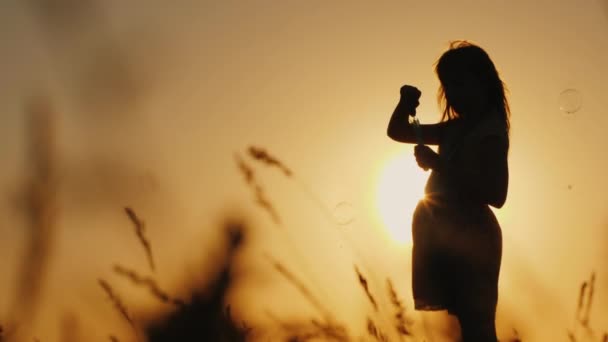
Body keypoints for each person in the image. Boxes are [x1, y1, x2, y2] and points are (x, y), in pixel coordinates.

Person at [386, 40, 510, 342]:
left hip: (473, 236)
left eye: (460, 82)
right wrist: (405, 105)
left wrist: (440, 164)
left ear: (483, 81)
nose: (454, 92)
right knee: (464, 327)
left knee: (477, 325)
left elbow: (496, 193)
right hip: (445, 233)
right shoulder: (453, 129)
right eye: (448, 84)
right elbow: (398, 132)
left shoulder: (490, 132)